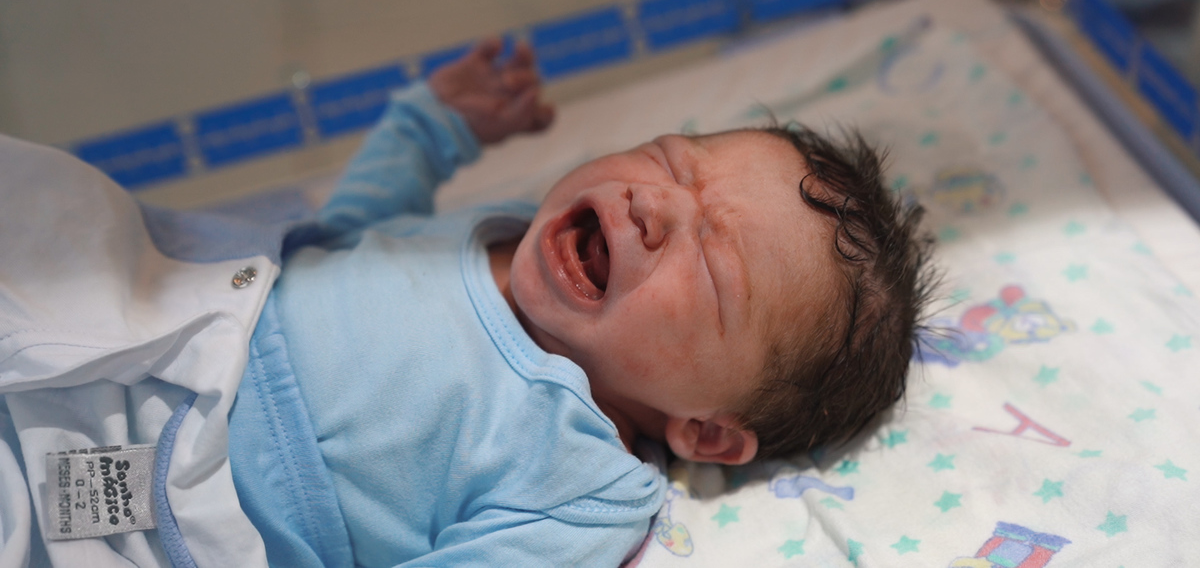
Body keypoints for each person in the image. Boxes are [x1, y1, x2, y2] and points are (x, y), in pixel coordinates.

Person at [0, 37, 931, 568]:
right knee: (45, 209)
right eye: (670, 161)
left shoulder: (586, 484)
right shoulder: (504, 231)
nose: (656, 205)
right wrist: (430, 125)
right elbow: (355, 235)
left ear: (708, 429)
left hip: (157, 516)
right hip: (149, 325)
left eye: (713, 266)